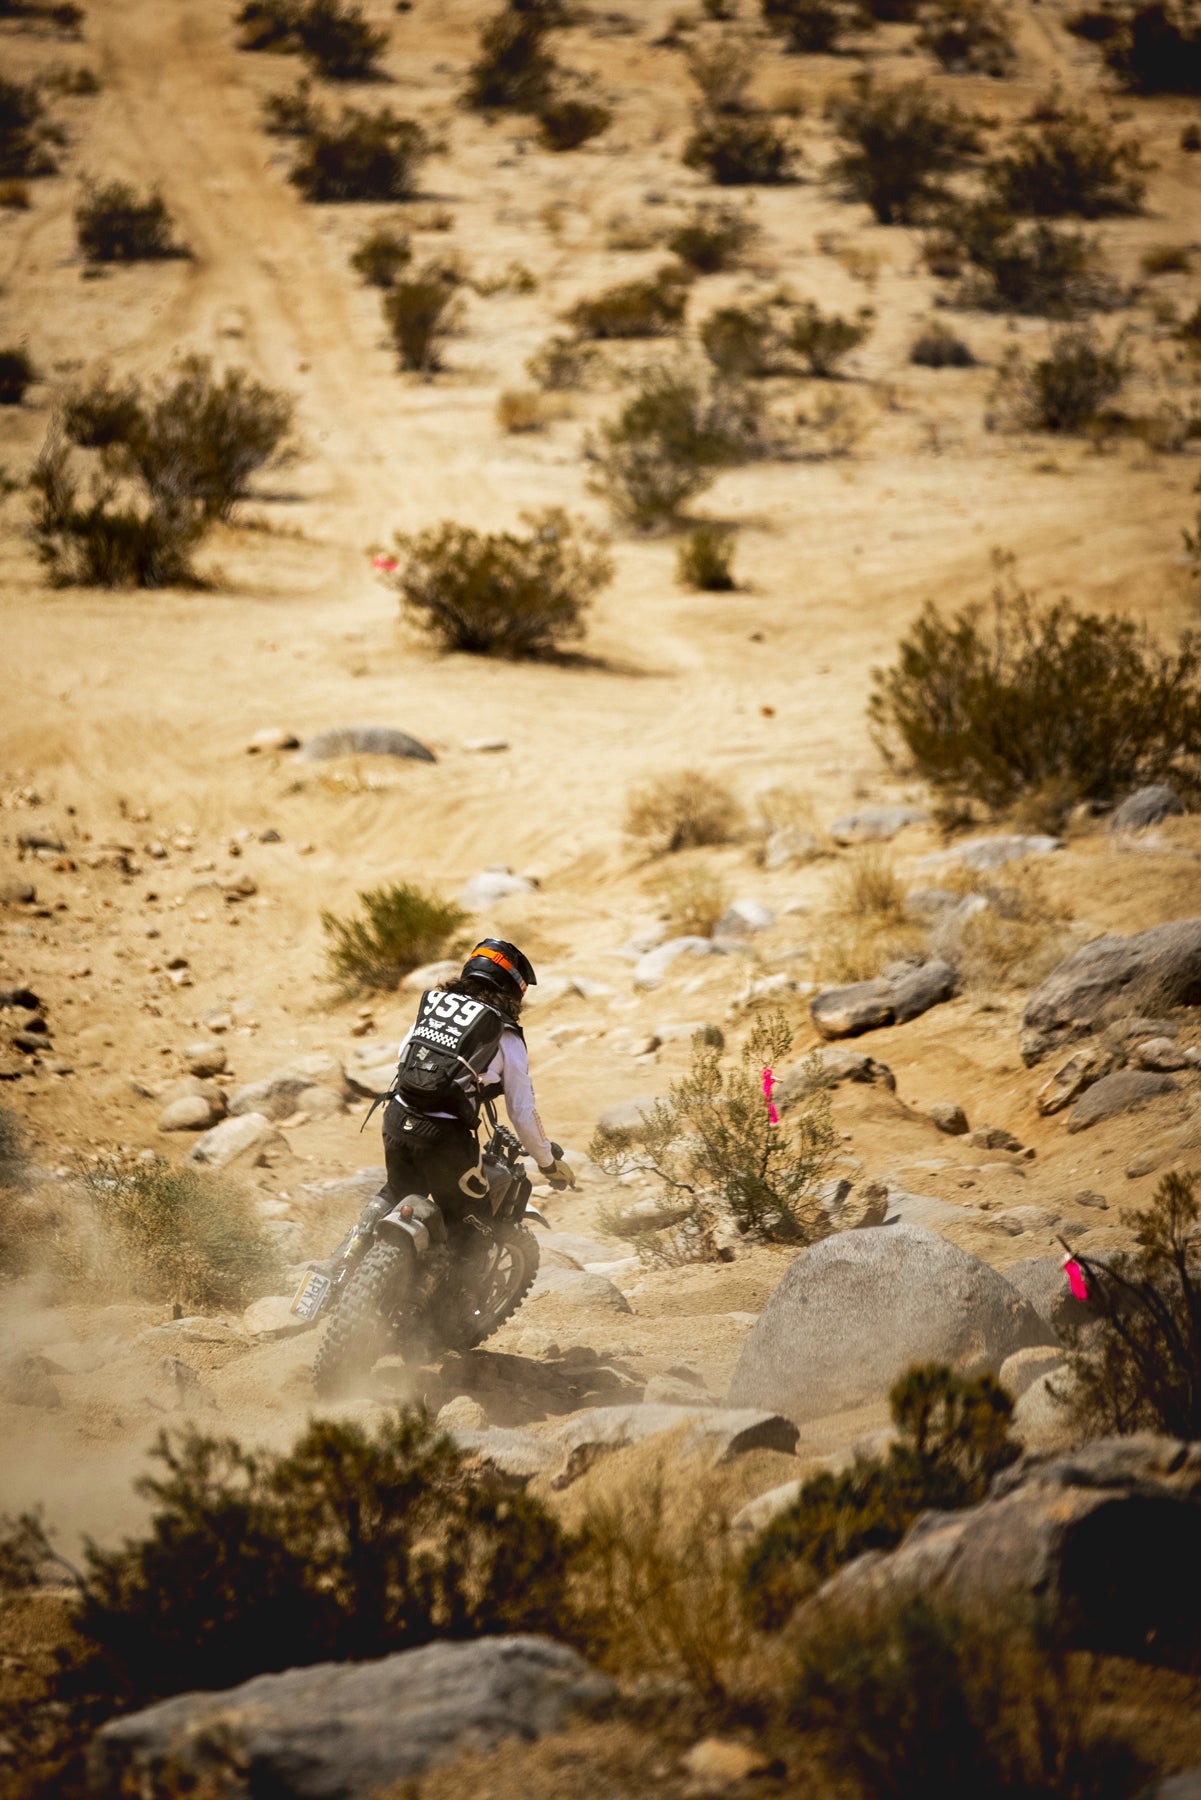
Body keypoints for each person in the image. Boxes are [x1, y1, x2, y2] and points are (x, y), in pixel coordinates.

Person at [310, 939, 574, 1279]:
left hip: (397, 1119)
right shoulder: (504, 1034)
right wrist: (548, 1164)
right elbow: (522, 1110)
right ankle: (441, 1318)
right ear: (514, 990)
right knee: (471, 1224)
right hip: (444, 1140)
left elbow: (405, 1056)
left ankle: (336, 1267)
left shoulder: (435, 1007)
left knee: (396, 1190)